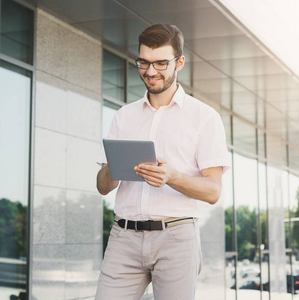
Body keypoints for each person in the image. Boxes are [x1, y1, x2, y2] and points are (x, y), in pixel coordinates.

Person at [95, 24, 230, 300]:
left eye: (160, 63)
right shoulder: (124, 116)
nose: (151, 71)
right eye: (143, 62)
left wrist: (172, 177)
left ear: (179, 62)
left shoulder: (204, 117)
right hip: (124, 237)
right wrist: (114, 169)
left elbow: (213, 191)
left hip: (176, 238)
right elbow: (102, 186)